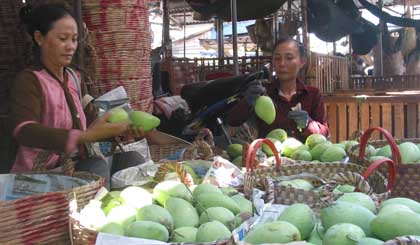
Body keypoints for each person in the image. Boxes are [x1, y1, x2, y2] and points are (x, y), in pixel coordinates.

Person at [7, 4, 145, 181]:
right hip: (42, 172)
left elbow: (91, 124)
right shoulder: (29, 81)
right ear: (39, 37)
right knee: (95, 166)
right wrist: (83, 135)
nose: (71, 46)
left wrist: (116, 131)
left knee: (132, 159)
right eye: (63, 38)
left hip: (76, 164)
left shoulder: (74, 78)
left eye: (74, 39)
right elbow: (23, 130)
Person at [226, 37, 329, 142]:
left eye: (289, 58)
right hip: (269, 155)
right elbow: (232, 121)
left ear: (302, 62)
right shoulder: (262, 92)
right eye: (277, 58)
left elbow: (324, 133)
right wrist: (246, 102)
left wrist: (309, 124)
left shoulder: (313, 94)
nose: (282, 64)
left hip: (304, 156)